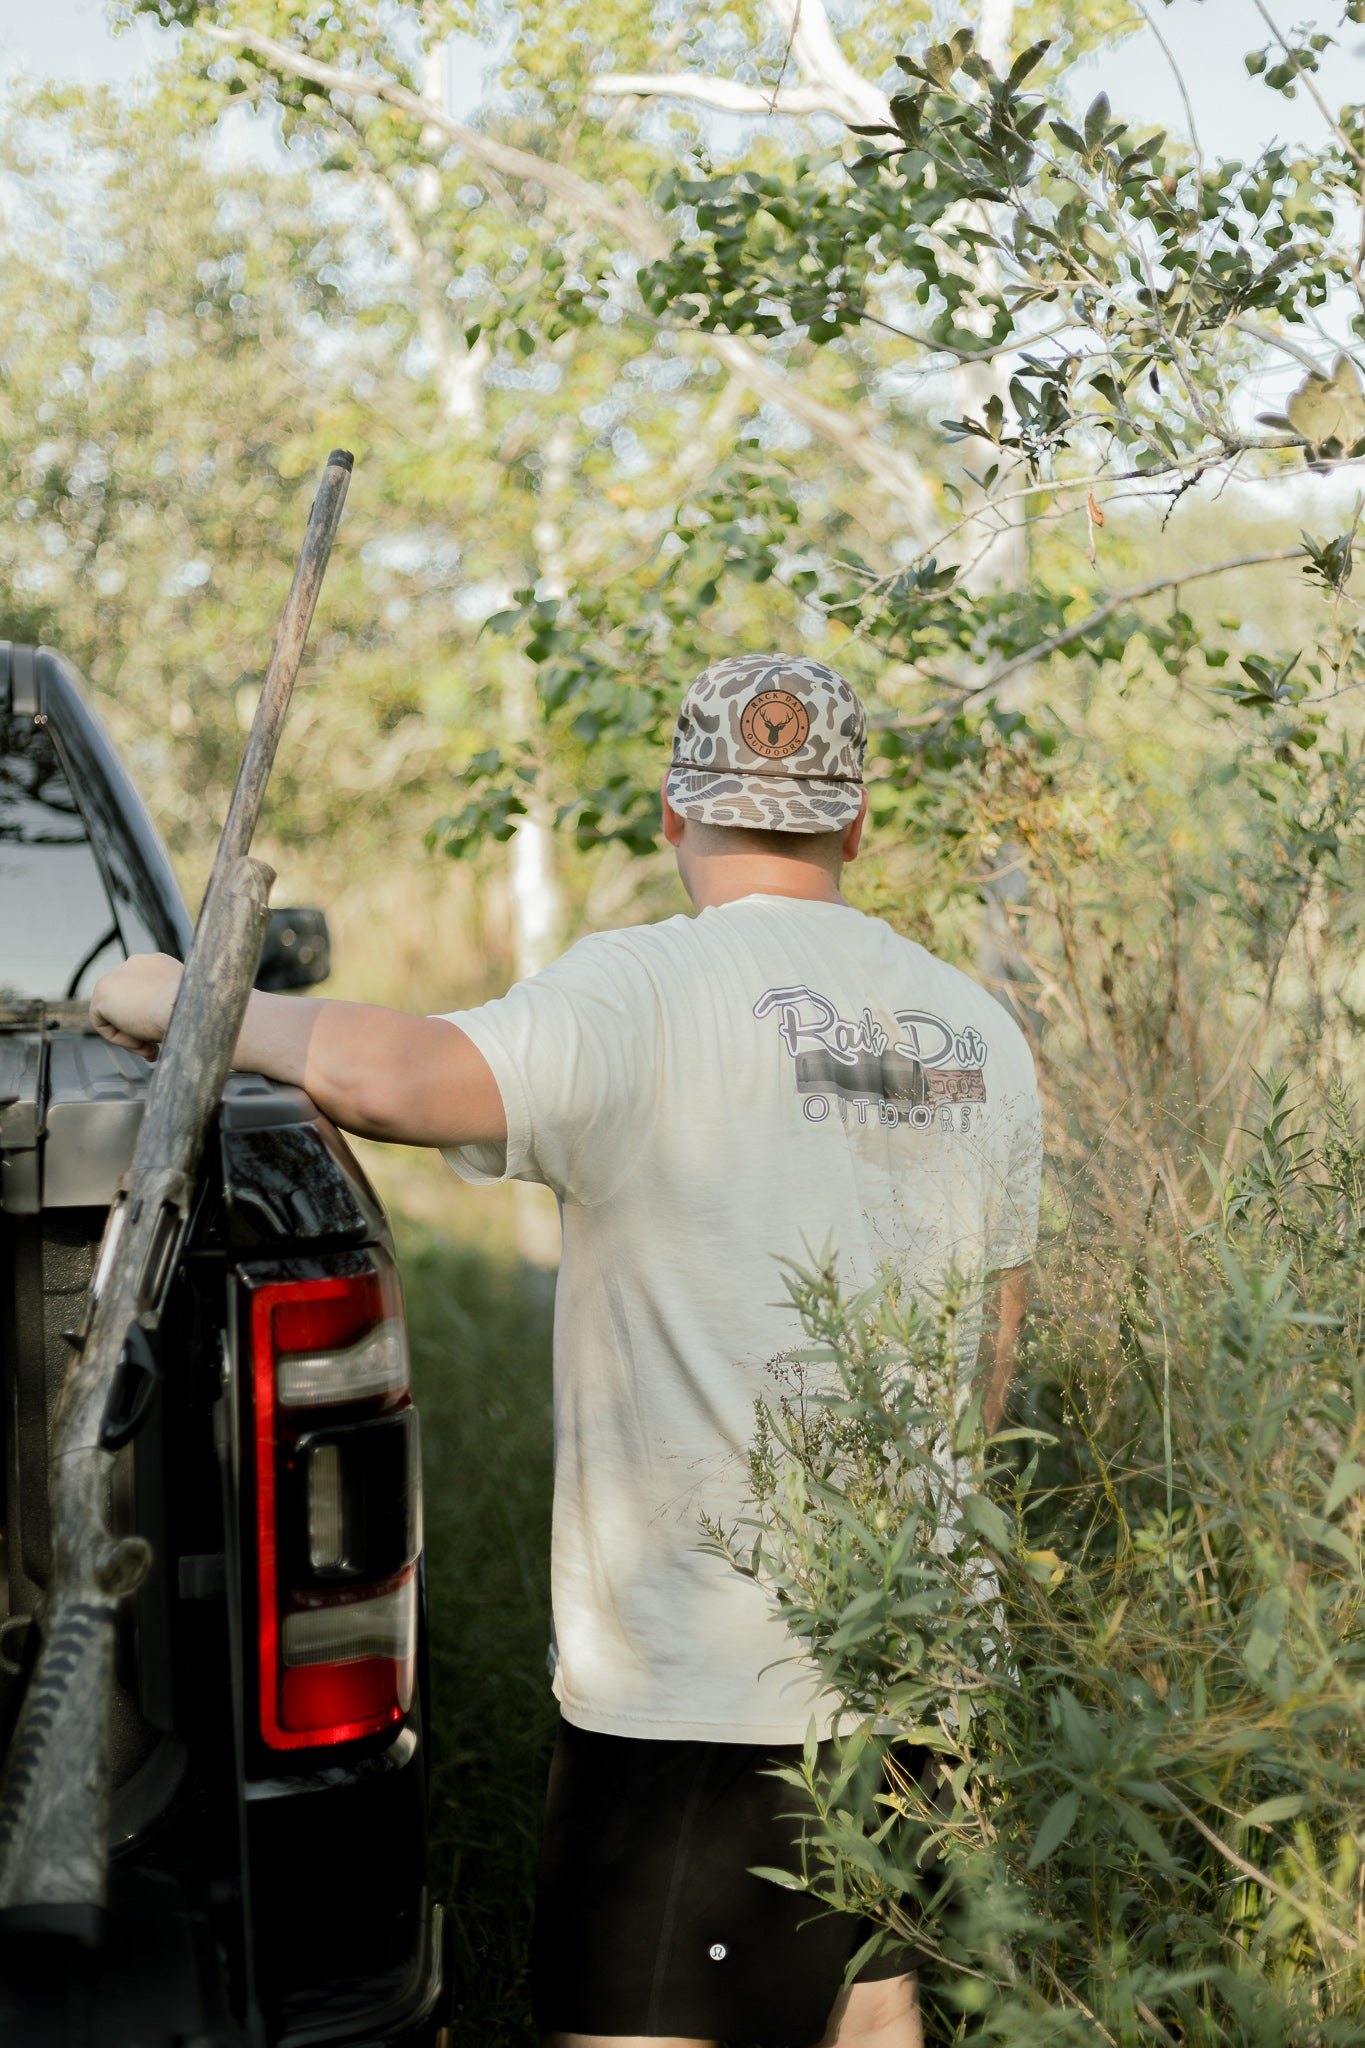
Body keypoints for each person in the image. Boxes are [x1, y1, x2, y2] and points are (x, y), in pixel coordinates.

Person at [92, 653, 1042, 2048]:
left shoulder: (645, 990)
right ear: (852, 823)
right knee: (872, 2007)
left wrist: (184, 995)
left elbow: (398, 1077)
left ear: (674, 817)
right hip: (918, 1650)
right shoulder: (977, 1028)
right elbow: (989, 1363)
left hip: (705, 1681)